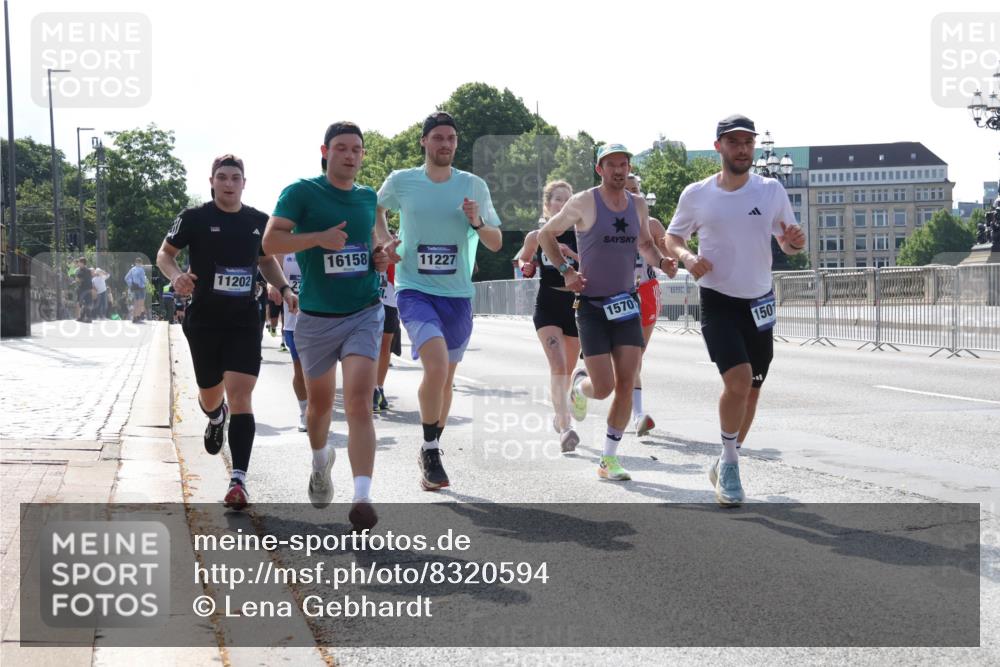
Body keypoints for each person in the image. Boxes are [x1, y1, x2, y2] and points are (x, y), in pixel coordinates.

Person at [663, 114, 805, 506]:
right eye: (734, 142)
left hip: (760, 302)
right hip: (718, 300)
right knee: (738, 381)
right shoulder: (698, 194)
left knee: (753, 393)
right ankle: (729, 464)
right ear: (719, 147)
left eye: (748, 142)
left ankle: (726, 458)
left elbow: (790, 244)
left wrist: (794, 241)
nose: (742, 148)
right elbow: (671, 237)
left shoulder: (771, 190)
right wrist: (687, 258)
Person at [263, 121, 388, 531]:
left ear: (362, 155)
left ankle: (363, 497)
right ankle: (320, 462)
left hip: (364, 312)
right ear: (325, 151)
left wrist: (382, 257)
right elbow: (271, 243)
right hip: (316, 318)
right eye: (341, 148)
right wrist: (317, 238)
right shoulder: (301, 192)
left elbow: (373, 246)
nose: (349, 155)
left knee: (357, 402)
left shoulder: (369, 197)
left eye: (356, 149)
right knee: (318, 408)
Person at [156, 154, 297, 511]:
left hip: (243, 320)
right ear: (212, 181)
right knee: (210, 394)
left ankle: (239, 480)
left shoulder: (257, 221)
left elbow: (266, 260)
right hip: (204, 319)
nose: (229, 183)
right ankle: (215, 417)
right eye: (223, 177)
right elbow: (164, 254)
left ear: (244, 183)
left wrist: (283, 287)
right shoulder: (194, 218)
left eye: (236, 177)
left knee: (241, 394)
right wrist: (176, 277)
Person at [375, 111, 503, 491]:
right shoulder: (402, 181)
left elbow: (495, 242)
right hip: (415, 289)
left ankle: (432, 443)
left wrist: (478, 222)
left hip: (458, 295)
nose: (445, 144)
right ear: (424, 142)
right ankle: (430, 451)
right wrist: (384, 241)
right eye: (438, 138)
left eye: (451, 139)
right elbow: (375, 208)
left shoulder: (473, 185)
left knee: (446, 378)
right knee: (435, 365)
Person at [538, 143, 677, 482]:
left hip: (626, 303)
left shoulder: (638, 205)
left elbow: (644, 243)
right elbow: (545, 234)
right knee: (604, 387)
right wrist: (567, 271)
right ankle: (579, 386)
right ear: (599, 169)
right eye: (611, 164)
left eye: (624, 164)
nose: (619, 170)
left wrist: (661, 261)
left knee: (627, 380)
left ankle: (609, 458)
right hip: (591, 306)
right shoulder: (584, 201)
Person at [514, 180, 582, 452]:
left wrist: (571, 253)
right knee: (557, 365)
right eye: (558, 199)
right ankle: (566, 427)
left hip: (575, 305)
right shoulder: (538, 235)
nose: (564, 204)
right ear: (547, 204)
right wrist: (526, 265)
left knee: (567, 371)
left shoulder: (582, 234)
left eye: (569, 199)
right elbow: (522, 259)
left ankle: (560, 411)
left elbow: (593, 264)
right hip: (548, 304)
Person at [624, 173, 667, 437]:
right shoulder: (608, 222)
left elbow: (668, 253)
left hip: (647, 291)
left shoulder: (652, 224)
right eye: (627, 190)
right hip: (617, 291)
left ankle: (637, 414)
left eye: (636, 190)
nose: (632, 195)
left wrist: (667, 249)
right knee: (619, 359)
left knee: (636, 356)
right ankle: (586, 379)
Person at [274, 253, 308, 431]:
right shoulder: (284, 247)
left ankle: (318, 410)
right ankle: (305, 411)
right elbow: (272, 270)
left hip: (322, 319)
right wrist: (273, 286)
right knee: (300, 370)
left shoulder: (319, 238)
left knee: (320, 372)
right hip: (293, 323)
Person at [374, 263, 400, 412]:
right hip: (367, 302)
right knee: (369, 347)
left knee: (385, 347)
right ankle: (371, 389)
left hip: (389, 302)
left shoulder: (394, 242)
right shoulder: (367, 241)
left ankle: (379, 388)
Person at [124, 257, 147, 324]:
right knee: (140, 304)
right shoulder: (141, 270)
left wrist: (131, 284)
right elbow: (143, 280)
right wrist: (146, 281)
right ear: (141, 263)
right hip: (141, 288)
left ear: (135, 262)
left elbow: (126, 278)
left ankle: (134, 318)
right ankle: (137, 317)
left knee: (135, 303)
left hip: (135, 289)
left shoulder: (132, 269)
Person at [74, 258, 93, 323]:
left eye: (79, 262)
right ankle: (83, 317)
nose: (78, 263)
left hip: (84, 289)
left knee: (85, 303)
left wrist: (77, 280)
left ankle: (88, 317)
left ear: (82, 263)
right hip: (86, 288)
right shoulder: (86, 270)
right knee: (84, 303)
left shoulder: (84, 270)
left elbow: (80, 279)